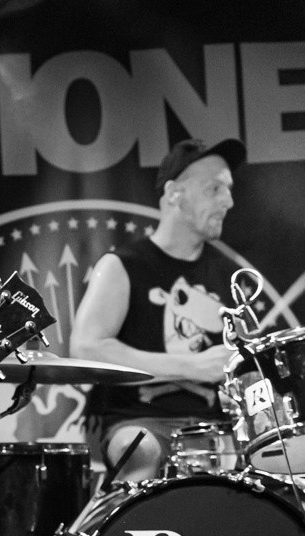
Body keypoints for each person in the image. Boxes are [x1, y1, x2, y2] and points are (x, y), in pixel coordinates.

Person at [70, 138, 247, 483]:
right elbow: (87, 348)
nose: (228, 201)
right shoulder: (122, 266)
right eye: (214, 189)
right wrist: (192, 366)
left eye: (228, 190)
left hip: (218, 427)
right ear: (174, 193)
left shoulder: (230, 274)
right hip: (138, 421)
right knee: (142, 451)